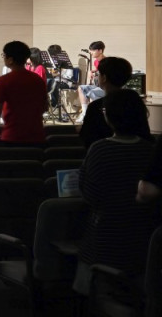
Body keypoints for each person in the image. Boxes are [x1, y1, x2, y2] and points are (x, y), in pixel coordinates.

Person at [73, 89, 159, 296]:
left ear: (109, 117)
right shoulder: (150, 150)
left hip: (105, 242)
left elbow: (89, 194)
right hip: (144, 244)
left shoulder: (99, 149)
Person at [0, 41, 47, 145]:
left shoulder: (2, 81)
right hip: (37, 136)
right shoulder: (38, 80)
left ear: (10, 60)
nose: (3, 58)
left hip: (12, 136)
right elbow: (44, 107)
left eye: (4, 55)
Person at [78, 56, 140, 148]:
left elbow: (87, 138)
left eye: (99, 74)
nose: (97, 76)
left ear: (104, 78)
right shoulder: (134, 100)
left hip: (102, 150)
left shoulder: (96, 106)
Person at [77, 41, 106, 122]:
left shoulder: (106, 62)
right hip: (98, 86)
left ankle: (93, 115)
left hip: (105, 88)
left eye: (93, 50)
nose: (90, 52)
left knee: (91, 92)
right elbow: (97, 69)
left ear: (100, 51)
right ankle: (85, 113)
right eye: (90, 50)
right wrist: (91, 71)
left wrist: (96, 74)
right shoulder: (96, 61)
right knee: (81, 88)